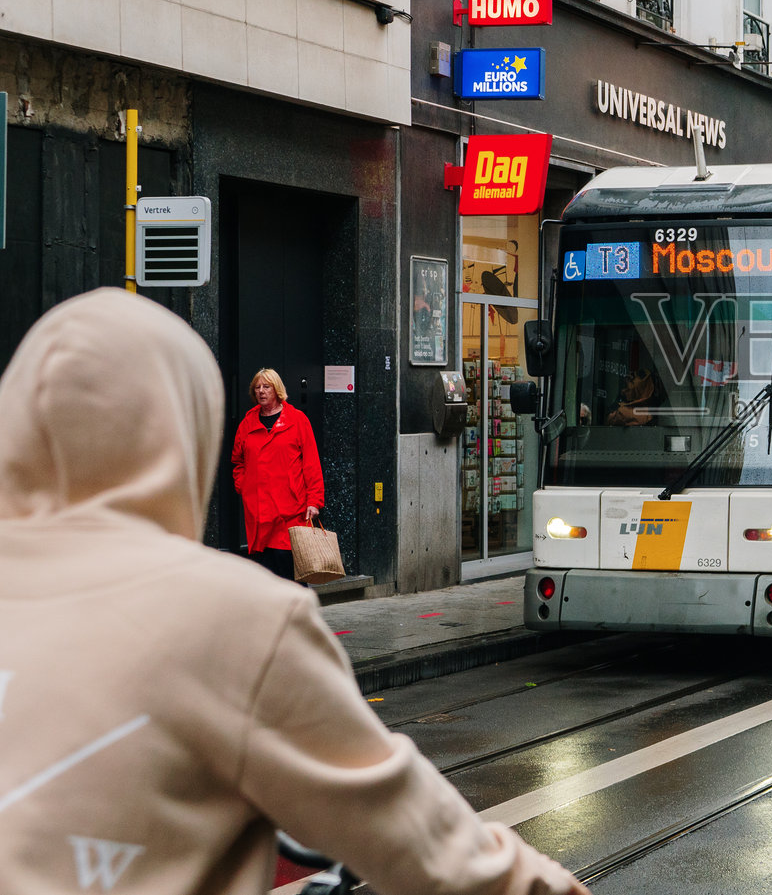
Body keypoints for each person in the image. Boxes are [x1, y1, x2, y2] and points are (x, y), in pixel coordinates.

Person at [0, 289, 589, 895]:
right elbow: (432, 850)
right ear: (182, 431)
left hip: (287, 515)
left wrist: (309, 499)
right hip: (261, 522)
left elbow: (309, 463)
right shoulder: (232, 620)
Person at [232, 367, 324, 581]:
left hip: (290, 510)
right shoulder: (247, 424)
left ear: (277, 390)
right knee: (266, 573)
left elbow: (311, 464)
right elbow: (238, 461)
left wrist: (314, 501)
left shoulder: (298, 420)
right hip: (259, 512)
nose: (261, 391)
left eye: (266, 387)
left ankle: (297, 613)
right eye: (257, 388)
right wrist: (244, 486)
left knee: (290, 571)